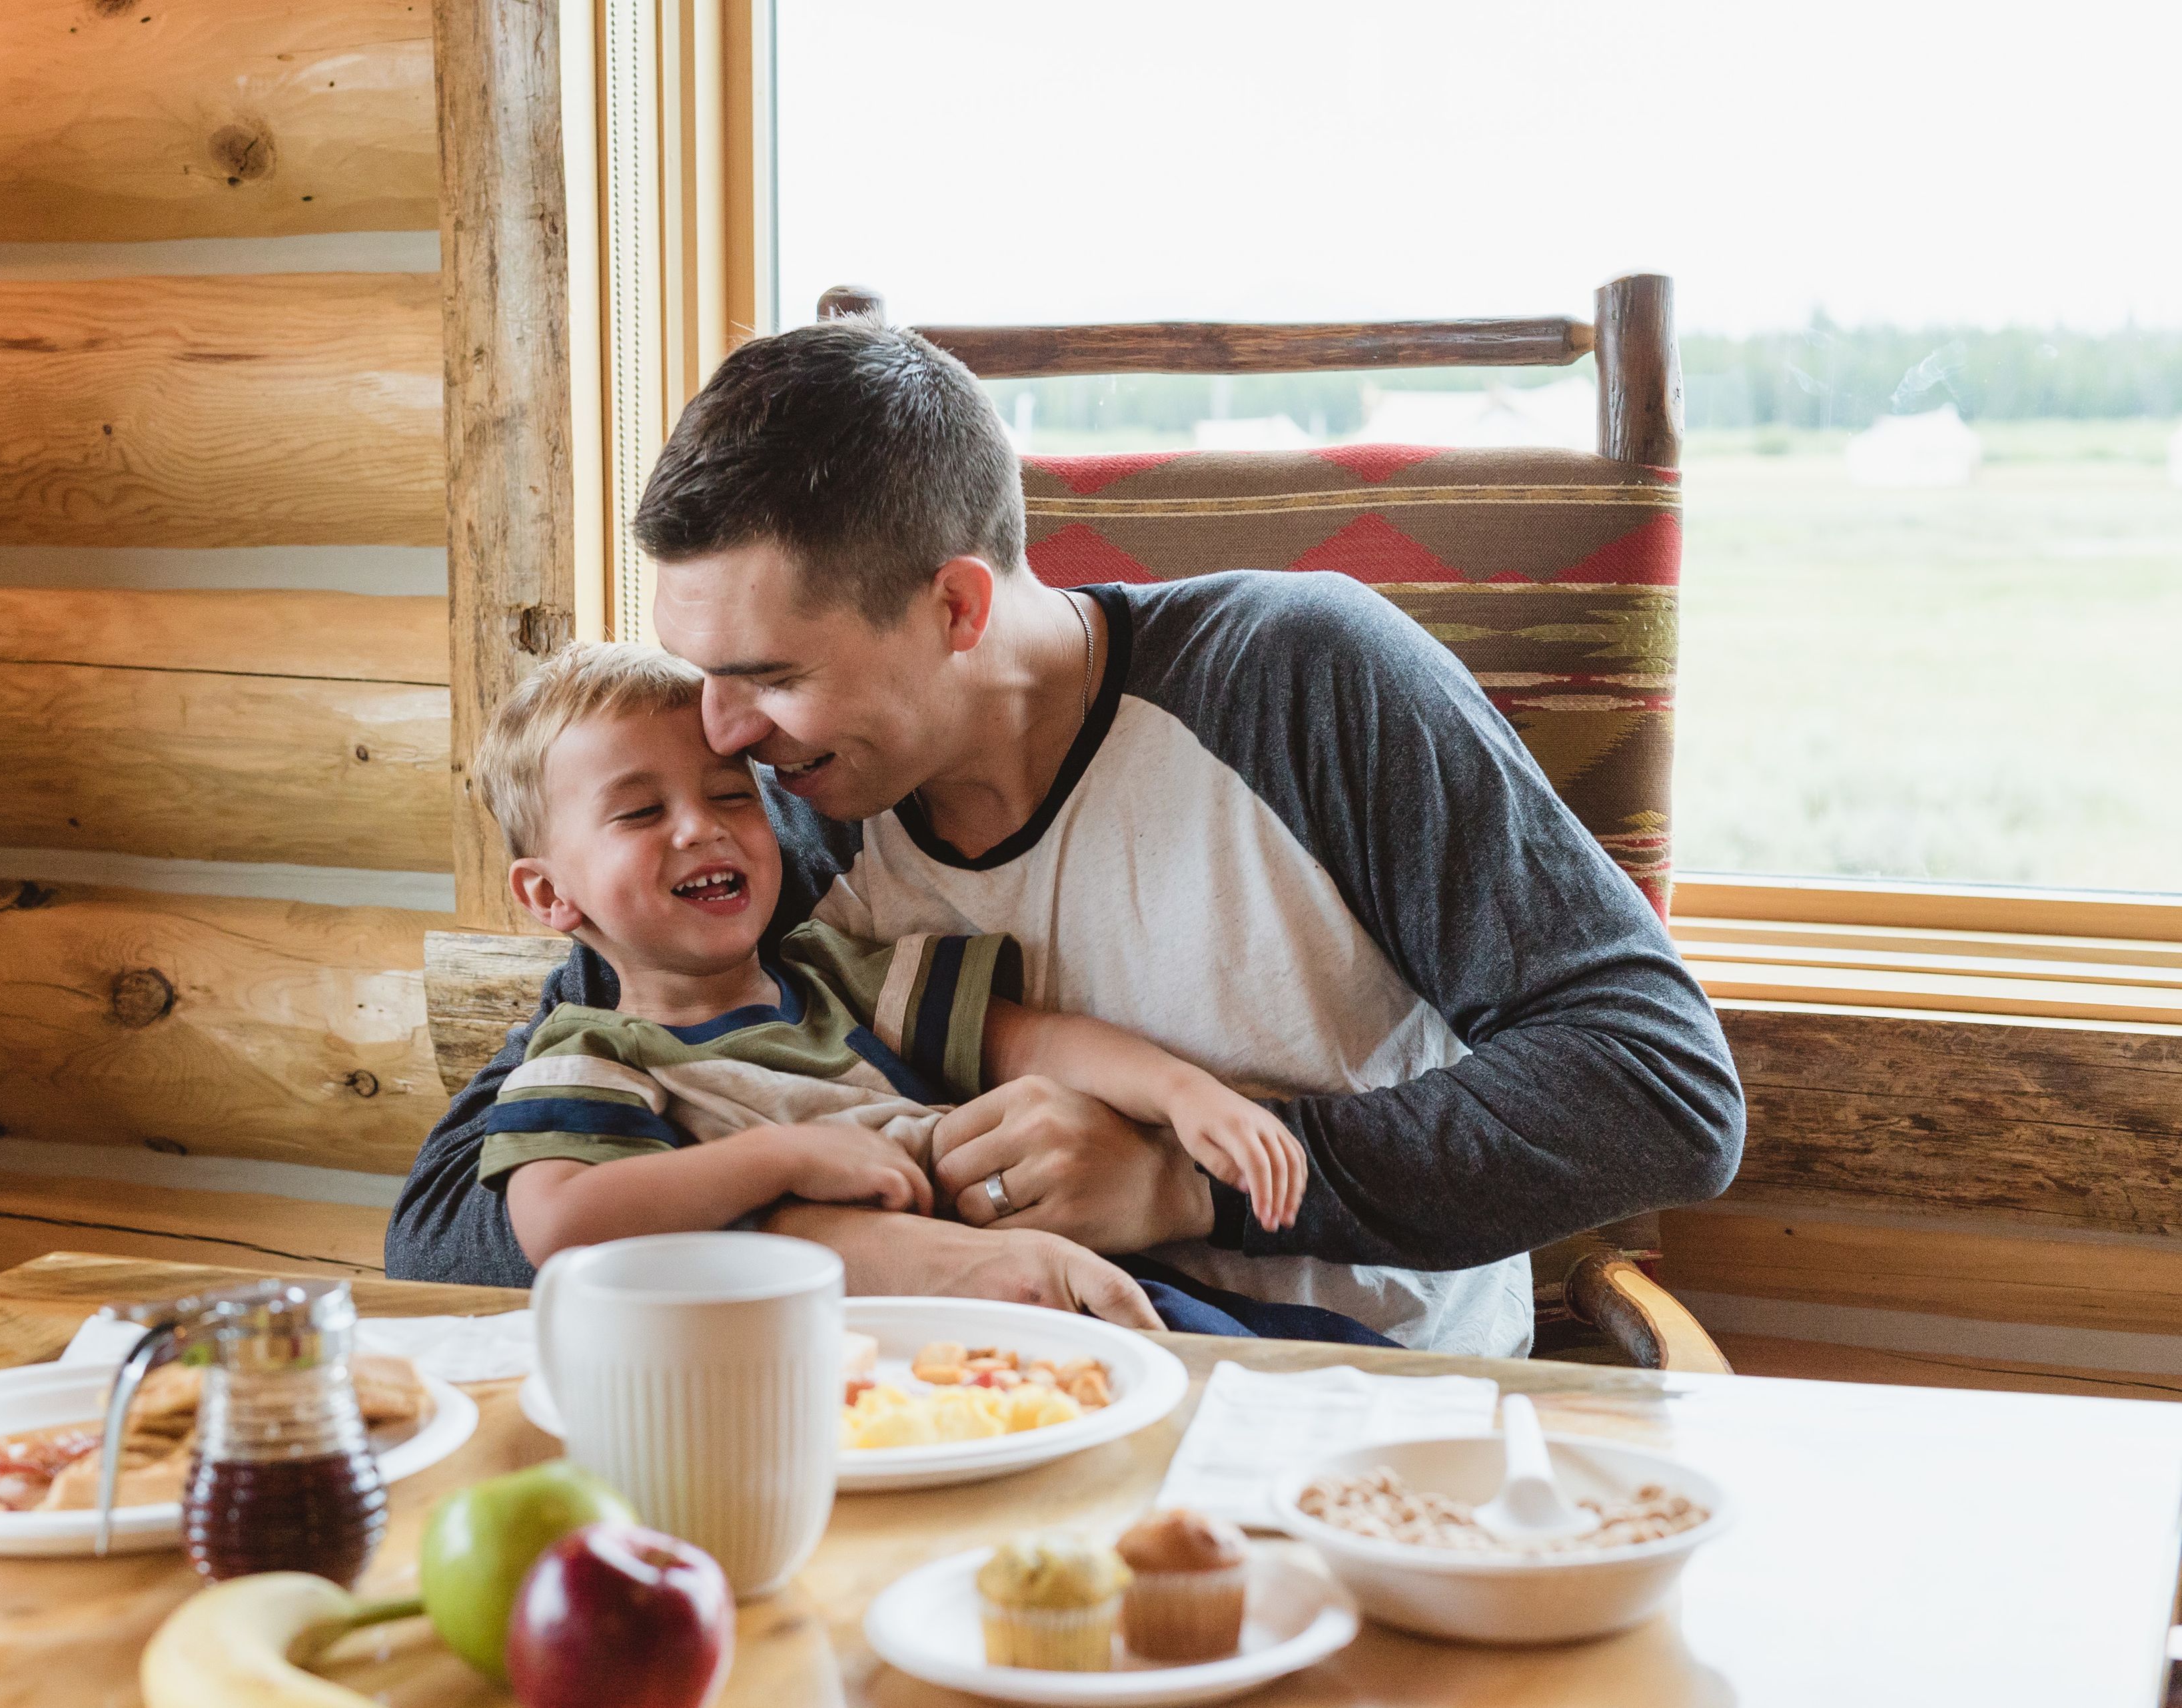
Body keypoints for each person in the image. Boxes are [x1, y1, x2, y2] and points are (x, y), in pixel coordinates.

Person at [389, 314, 1745, 1356]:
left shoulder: (1299, 682)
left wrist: (1183, 1184)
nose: (724, 731)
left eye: (772, 675)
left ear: (957, 607)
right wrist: (850, 1244)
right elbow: (451, 1220)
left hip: (1345, 1399)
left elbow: (1659, 1089)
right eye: (705, 675)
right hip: (952, 1384)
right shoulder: (765, 817)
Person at [469, 641, 1308, 1267]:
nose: (702, 826)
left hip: (1037, 1270)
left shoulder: (837, 975)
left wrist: (1181, 1092)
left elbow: (1035, 1042)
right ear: (549, 893)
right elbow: (559, 1223)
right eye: (639, 812)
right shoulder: (592, 1054)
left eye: (730, 793)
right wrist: (783, 1158)